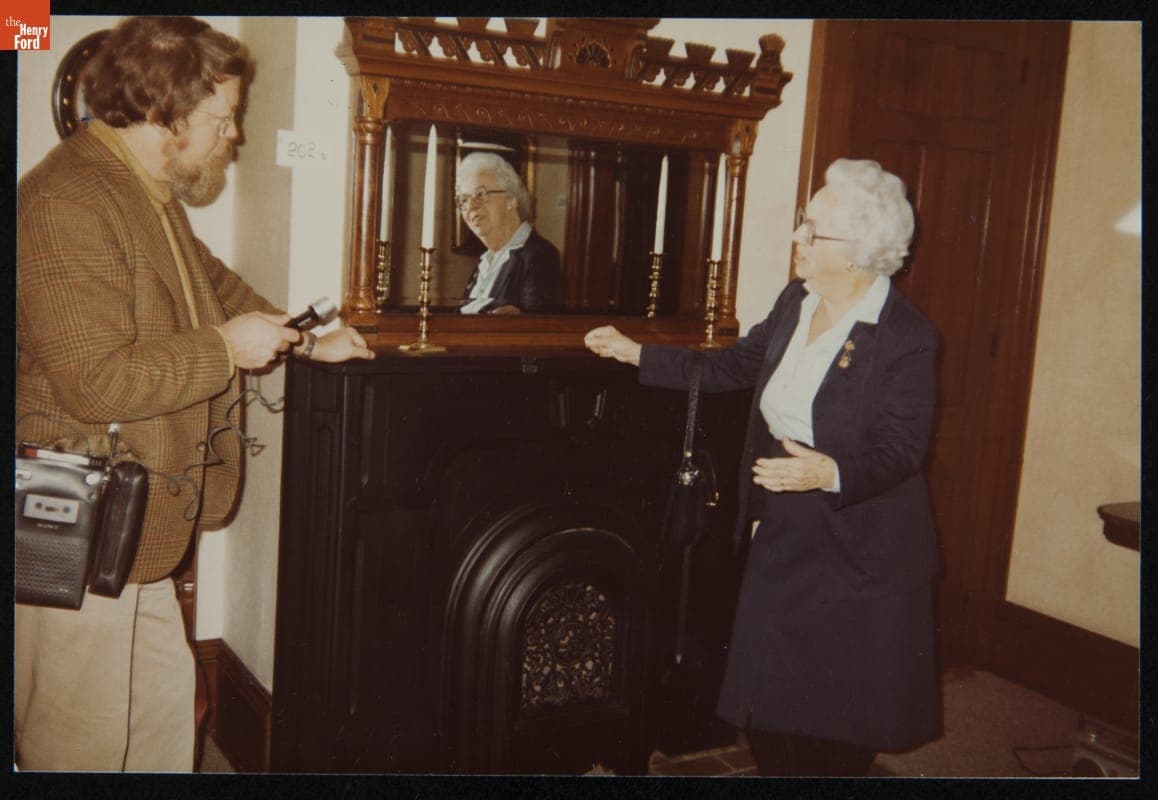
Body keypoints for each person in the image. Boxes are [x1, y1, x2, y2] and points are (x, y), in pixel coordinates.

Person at [15, 16, 374, 771]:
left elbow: (214, 286)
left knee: (161, 717)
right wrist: (224, 350)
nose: (233, 135)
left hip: (135, 524)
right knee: (79, 739)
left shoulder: (143, 189)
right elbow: (94, 381)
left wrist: (310, 339)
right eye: (222, 117)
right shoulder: (65, 199)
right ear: (162, 112)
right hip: (81, 524)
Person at [585, 158, 940, 776]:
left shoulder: (905, 337)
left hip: (862, 542)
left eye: (813, 230)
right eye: (804, 222)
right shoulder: (796, 300)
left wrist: (825, 472)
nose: (797, 237)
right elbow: (733, 366)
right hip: (787, 521)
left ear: (858, 254)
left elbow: (902, 451)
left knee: (842, 716)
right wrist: (637, 354)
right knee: (766, 697)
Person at [456, 151, 564, 315]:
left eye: (481, 195)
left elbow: (542, 323)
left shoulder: (540, 255)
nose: (471, 206)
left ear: (511, 200)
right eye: (464, 200)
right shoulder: (485, 262)